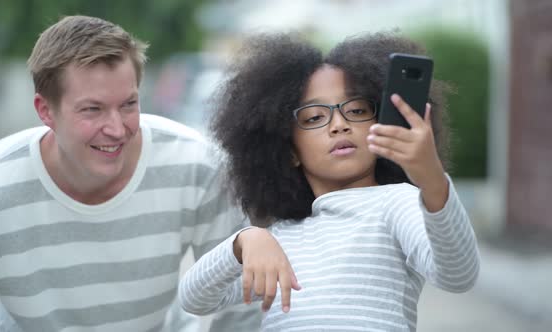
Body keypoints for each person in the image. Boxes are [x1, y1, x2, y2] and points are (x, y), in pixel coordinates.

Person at [0, 15, 262, 331]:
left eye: (129, 104)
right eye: (92, 109)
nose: (117, 129)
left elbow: (243, 297)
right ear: (45, 110)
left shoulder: (196, 164)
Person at [178, 32, 480, 331]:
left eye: (357, 110)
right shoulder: (277, 240)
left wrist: (432, 179)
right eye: (314, 118)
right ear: (288, 151)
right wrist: (243, 242)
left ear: (382, 126)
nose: (339, 125)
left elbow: (458, 275)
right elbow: (194, 298)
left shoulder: (396, 203)